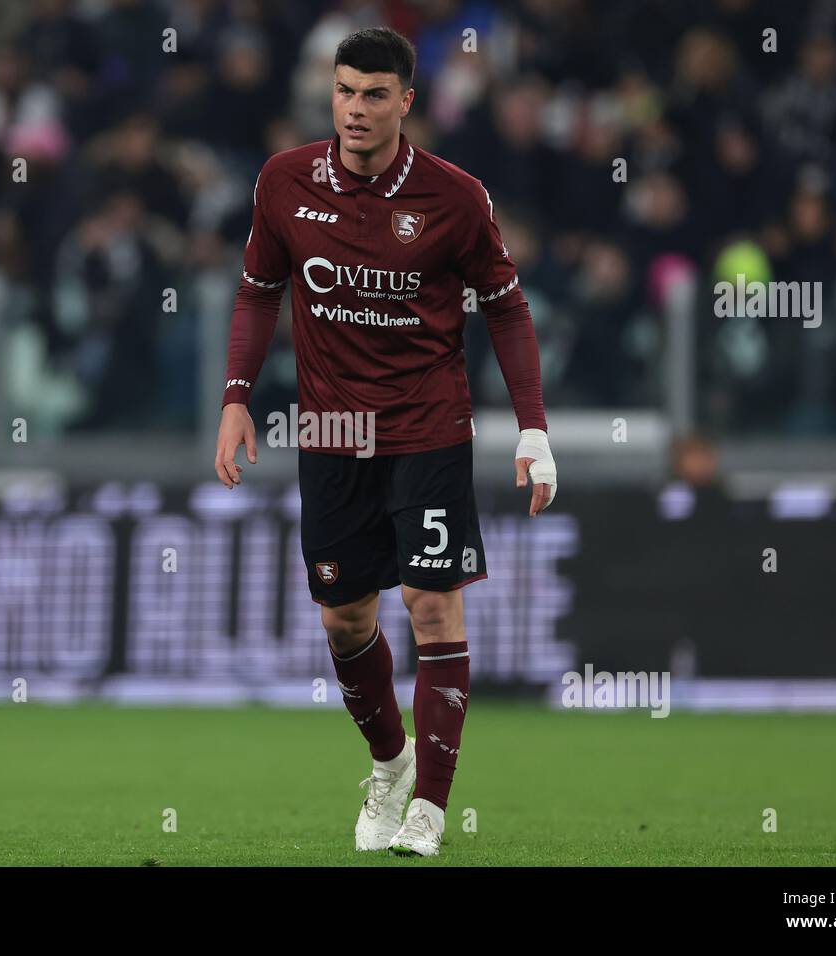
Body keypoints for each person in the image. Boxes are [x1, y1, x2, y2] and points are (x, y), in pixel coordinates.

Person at [213, 28, 556, 857]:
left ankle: (430, 811)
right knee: (342, 617)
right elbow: (259, 291)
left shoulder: (455, 197)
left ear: (407, 100)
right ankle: (390, 762)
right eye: (344, 92)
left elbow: (505, 308)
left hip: (427, 425)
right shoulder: (284, 182)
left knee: (432, 607)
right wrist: (235, 399)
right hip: (331, 429)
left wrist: (533, 426)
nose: (356, 109)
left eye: (374, 95)